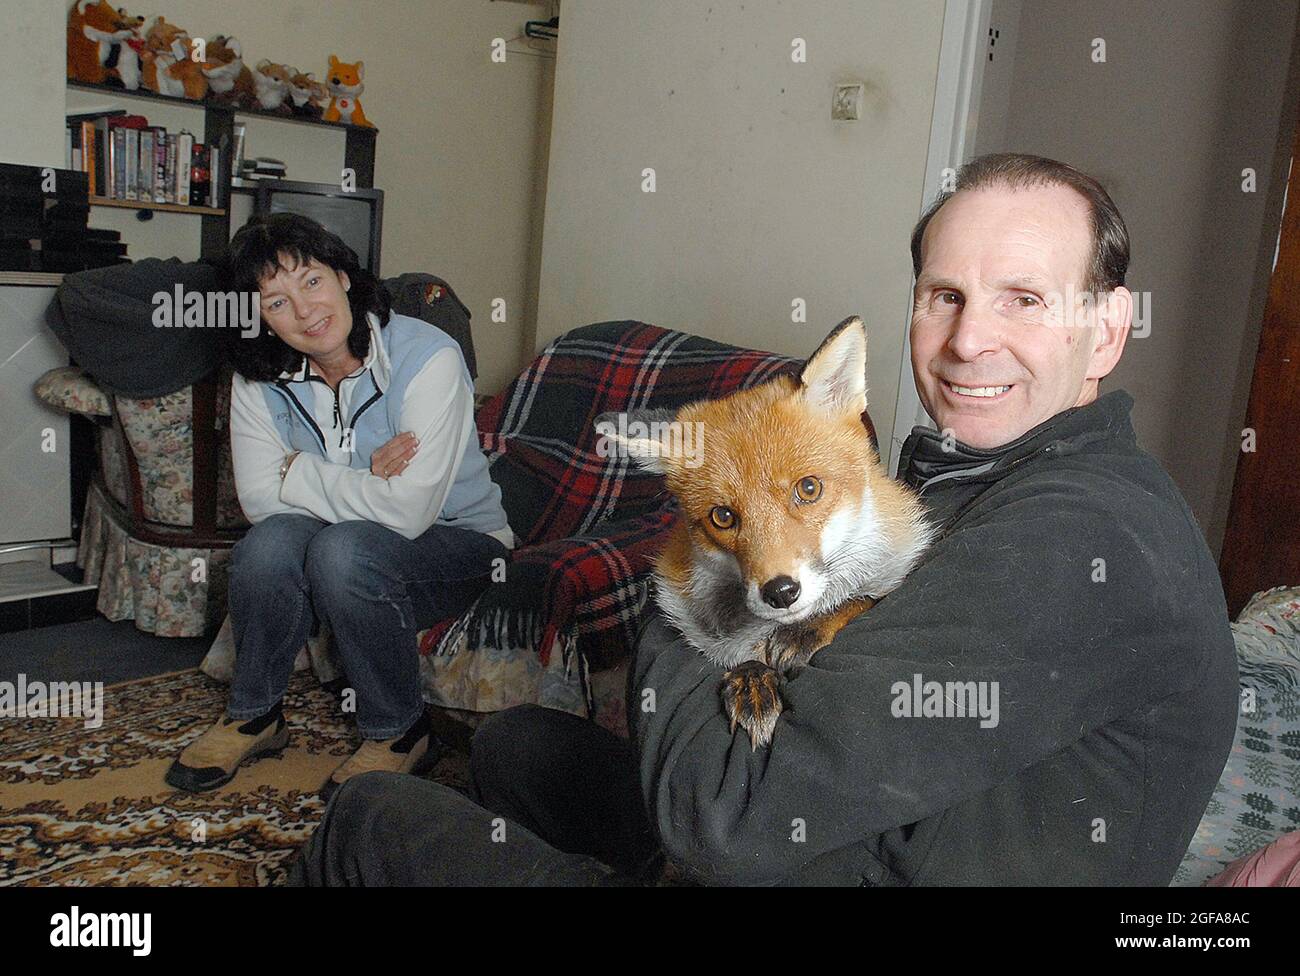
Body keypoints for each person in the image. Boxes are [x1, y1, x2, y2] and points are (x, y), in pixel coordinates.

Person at [289, 153, 1239, 885]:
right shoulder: (999, 474)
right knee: (513, 746)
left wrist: (698, 561)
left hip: (796, 846)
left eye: (1024, 300)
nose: (968, 340)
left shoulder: (1078, 537)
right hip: (860, 835)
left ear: (1108, 328)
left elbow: (726, 812)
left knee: (369, 816)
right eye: (945, 295)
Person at [166, 213, 513, 801]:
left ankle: (401, 732)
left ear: (344, 277)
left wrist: (297, 470)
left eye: (311, 282)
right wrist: (364, 475)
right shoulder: (257, 376)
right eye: (275, 302)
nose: (304, 312)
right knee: (268, 545)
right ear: (259, 317)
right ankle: (255, 715)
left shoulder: (429, 357)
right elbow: (257, 500)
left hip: (462, 541)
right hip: (347, 532)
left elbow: (408, 514)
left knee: (340, 549)